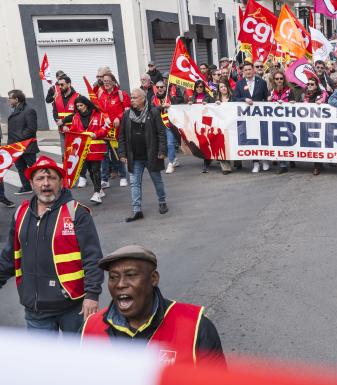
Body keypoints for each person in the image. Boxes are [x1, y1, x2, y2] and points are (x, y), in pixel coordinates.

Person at [0, 156, 103, 334]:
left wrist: (92, 295)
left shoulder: (77, 213)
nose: (46, 183)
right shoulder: (21, 213)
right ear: (31, 183)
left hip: (74, 306)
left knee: (76, 352)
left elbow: (93, 257)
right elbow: (9, 256)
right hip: (36, 309)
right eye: (40, 178)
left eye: (52, 178)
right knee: (41, 354)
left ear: (61, 182)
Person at [81, 245, 225, 367]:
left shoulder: (196, 327)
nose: (120, 284)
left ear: (153, 279)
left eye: (130, 275)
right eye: (113, 277)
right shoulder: (90, 328)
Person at [118, 88, 167, 222]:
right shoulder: (127, 115)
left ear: (143, 99)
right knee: (134, 183)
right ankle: (137, 210)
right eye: (131, 97)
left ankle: (162, 202)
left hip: (152, 155)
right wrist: (122, 153)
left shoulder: (153, 112)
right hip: (134, 157)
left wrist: (162, 151)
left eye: (134, 97)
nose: (132, 100)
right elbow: (121, 136)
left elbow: (161, 133)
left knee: (157, 180)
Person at [65, 96, 109, 204]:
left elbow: (105, 128)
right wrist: (68, 131)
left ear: (86, 104)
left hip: (96, 147)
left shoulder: (98, 115)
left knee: (95, 169)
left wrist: (95, 134)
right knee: (90, 171)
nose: (79, 108)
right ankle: (99, 189)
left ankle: (97, 193)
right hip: (83, 148)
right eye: (77, 106)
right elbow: (74, 131)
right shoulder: (76, 117)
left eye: (81, 105)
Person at [233, 62, 270, 173]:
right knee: (252, 140)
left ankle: (265, 159)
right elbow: (234, 98)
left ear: (253, 70)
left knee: (263, 138)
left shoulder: (262, 82)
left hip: (260, 115)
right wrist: (244, 99)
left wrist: (269, 98)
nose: (248, 72)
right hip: (247, 117)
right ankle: (255, 163)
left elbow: (266, 97)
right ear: (243, 72)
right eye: (245, 70)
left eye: (249, 69)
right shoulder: (239, 84)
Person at [98, 72, 131, 189]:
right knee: (104, 154)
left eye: (108, 81)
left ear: (113, 81)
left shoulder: (121, 94)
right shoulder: (100, 94)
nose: (106, 83)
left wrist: (119, 117)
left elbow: (127, 110)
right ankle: (104, 179)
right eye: (104, 81)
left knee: (118, 153)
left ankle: (123, 176)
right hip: (104, 129)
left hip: (117, 130)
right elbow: (98, 110)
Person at [6, 89, 39, 195]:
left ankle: (43, 185)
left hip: (27, 145)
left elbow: (31, 129)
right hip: (16, 146)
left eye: (10, 98)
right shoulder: (15, 109)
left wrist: (18, 139)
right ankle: (26, 187)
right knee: (20, 167)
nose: (8, 101)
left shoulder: (29, 110)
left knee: (33, 167)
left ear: (16, 99)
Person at [152, 80, 183, 174]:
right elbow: (151, 110)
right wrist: (161, 107)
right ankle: (174, 159)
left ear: (165, 87)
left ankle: (170, 163)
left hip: (169, 124)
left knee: (170, 143)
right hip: (159, 125)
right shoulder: (153, 98)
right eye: (158, 87)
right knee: (162, 144)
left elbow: (178, 105)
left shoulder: (170, 97)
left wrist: (170, 105)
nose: (160, 89)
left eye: (161, 87)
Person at [269, 71, 292, 175]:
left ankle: (291, 160)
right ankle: (283, 165)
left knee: (288, 141)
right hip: (275, 121)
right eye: (277, 79)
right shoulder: (271, 92)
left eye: (281, 78)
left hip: (287, 121)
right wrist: (268, 100)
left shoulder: (289, 91)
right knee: (279, 142)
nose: (279, 80)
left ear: (284, 80)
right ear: (274, 80)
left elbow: (294, 103)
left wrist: (291, 103)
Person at [51, 75, 79, 153]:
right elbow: (55, 113)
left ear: (69, 84)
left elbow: (77, 113)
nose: (60, 87)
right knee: (65, 154)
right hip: (62, 130)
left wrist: (63, 121)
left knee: (75, 154)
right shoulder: (57, 97)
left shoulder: (77, 97)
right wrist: (62, 125)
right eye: (59, 85)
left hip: (75, 131)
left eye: (62, 84)